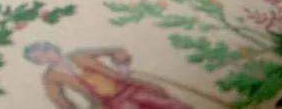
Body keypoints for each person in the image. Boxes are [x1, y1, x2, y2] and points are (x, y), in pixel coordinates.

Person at [23, 41, 193, 109]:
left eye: (45, 51)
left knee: (171, 106)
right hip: (112, 103)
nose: (46, 57)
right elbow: (59, 100)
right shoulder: (51, 77)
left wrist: (123, 68)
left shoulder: (79, 56)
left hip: (130, 87)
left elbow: (118, 52)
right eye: (39, 58)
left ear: (53, 49)